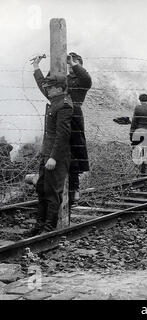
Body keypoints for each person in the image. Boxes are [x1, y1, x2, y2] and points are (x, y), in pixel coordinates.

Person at [31, 73, 73, 234]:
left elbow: (63, 135)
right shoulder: (56, 100)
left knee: (52, 192)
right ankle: (40, 225)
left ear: (59, 88)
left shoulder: (64, 105)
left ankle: (49, 228)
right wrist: (36, 69)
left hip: (56, 157)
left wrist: (54, 158)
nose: (46, 90)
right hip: (47, 154)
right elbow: (43, 85)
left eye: (50, 88)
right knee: (41, 188)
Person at [66, 52, 92, 206]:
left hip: (74, 115)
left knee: (75, 153)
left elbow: (87, 79)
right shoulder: (65, 78)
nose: (69, 66)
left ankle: (74, 188)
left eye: (73, 63)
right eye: (68, 63)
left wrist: (74, 64)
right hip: (60, 115)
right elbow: (48, 86)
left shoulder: (81, 79)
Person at [130, 94, 147, 174]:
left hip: (138, 131)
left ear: (140, 100)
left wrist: (131, 134)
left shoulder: (137, 108)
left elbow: (134, 122)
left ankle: (135, 169)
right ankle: (143, 172)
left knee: (136, 150)